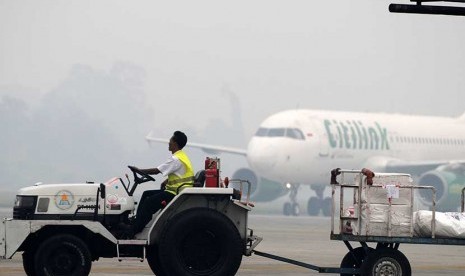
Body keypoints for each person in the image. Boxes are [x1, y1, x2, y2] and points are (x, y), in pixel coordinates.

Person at [122, 130, 194, 236]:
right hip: (175, 190)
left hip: (174, 193)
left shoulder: (176, 159)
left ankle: (134, 230)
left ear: (175, 143)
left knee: (148, 203)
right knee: (146, 194)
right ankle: (136, 221)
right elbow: (180, 174)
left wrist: (139, 170)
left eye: (170, 140)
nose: (168, 143)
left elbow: (157, 171)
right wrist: (167, 181)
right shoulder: (182, 156)